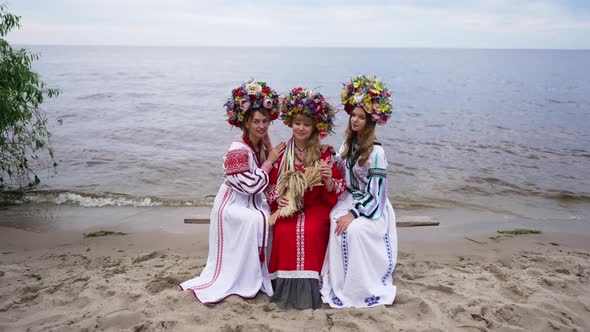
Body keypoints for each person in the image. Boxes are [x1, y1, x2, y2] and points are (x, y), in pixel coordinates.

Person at [179, 80, 285, 304]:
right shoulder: (237, 149)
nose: (262, 126)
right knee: (257, 219)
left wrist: (277, 196)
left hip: (249, 200)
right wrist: (270, 161)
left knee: (269, 217)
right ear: (246, 122)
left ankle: (260, 273)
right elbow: (250, 186)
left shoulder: (259, 146)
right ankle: (245, 276)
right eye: (256, 121)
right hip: (232, 204)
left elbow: (266, 184)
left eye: (265, 121)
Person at [320, 75, 398, 308]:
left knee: (353, 230)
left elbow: (377, 194)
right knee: (334, 221)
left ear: (370, 122)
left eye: (361, 117)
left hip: (372, 205)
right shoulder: (347, 145)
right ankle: (340, 282)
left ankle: (360, 284)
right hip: (350, 198)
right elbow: (343, 173)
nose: (355, 120)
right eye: (353, 115)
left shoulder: (376, 153)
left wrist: (353, 213)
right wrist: (330, 156)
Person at [265, 87, 345, 309]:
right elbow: (270, 186)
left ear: (315, 128)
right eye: (297, 123)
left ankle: (311, 290)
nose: (301, 128)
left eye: (307, 124)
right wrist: (278, 199)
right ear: (291, 122)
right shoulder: (282, 153)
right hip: (288, 207)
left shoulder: (324, 154)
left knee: (311, 230)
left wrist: (328, 181)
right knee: (283, 230)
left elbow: (338, 188)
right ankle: (282, 287)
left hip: (315, 206)